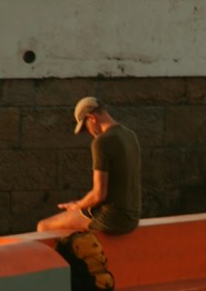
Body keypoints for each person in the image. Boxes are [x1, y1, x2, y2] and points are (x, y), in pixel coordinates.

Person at [37, 96, 141, 236]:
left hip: (111, 219)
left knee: (43, 226)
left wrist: (76, 206)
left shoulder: (102, 142)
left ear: (91, 118)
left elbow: (99, 194)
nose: (89, 133)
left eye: (85, 128)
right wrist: (83, 206)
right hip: (132, 217)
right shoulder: (130, 135)